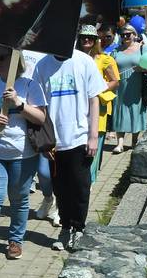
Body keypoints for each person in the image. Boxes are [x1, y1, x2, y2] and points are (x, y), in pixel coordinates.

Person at [0, 47, 46, 262]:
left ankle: (15, 240)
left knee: (19, 199)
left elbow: (40, 118)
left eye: (3, 58)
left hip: (23, 154)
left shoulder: (30, 85)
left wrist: (19, 103)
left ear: (16, 60)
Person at [32, 48, 106, 252]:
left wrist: (93, 136)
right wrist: (44, 141)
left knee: (80, 186)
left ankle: (78, 228)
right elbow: (39, 106)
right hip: (55, 141)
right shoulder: (43, 65)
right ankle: (65, 228)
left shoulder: (84, 61)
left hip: (80, 137)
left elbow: (94, 99)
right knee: (60, 188)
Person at [77, 25, 119, 181]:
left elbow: (115, 81)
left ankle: (90, 182)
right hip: (78, 108)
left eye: (90, 37)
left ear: (96, 40)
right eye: (83, 37)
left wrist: (97, 88)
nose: (86, 40)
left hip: (97, 109)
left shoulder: (105, 59)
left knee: (93, 150)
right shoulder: (72, 58)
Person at [111, 25, 147, 153]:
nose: (125, 37)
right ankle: (120, 143)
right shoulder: (116, 51)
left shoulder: (142, 48)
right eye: (123, 35)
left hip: (137, 85)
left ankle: (134, 141)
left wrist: (143, 68)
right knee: (119, 111)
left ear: (134, 34)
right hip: (119, 87)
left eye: (128, 34)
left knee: (135, 110)